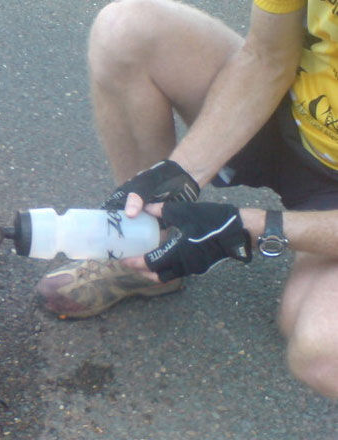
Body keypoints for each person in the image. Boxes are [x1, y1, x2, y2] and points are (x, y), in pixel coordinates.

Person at [36, 0, 338, 399]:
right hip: (293, 112)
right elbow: (267, 56)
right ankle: (146, 253)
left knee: (325, 354)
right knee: (124, 30)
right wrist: (181, 172)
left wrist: (255, 227)